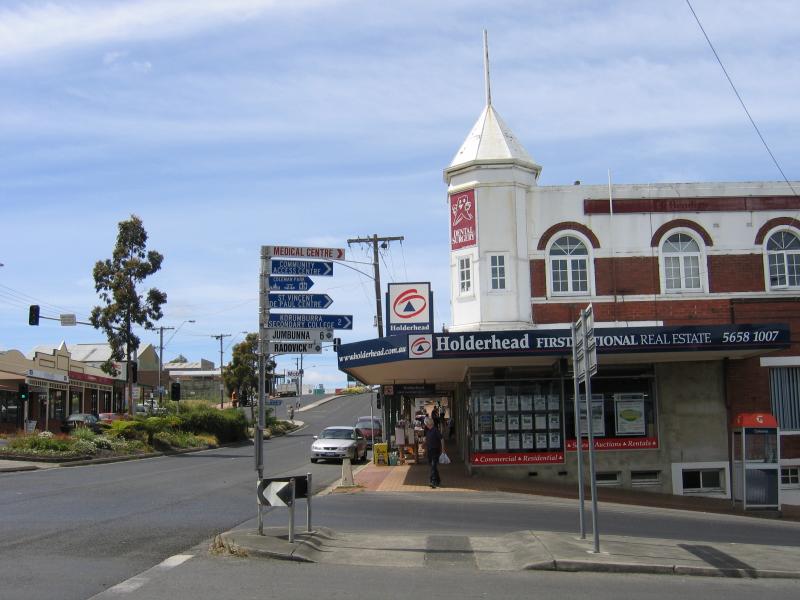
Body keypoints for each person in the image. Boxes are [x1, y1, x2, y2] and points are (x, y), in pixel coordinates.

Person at [424, 416, 444, 488]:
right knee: (433, 466)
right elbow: (428, 440)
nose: (425, 425)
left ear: (429, 423)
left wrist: (443, 450)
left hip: (435, 450)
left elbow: (441, 439)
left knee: (433, 466)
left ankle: (433, 481)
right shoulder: (428, 431)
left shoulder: (435, 430)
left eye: (426, 423)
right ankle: (438, 480)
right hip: (429, 451)